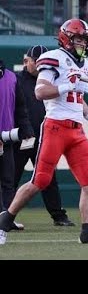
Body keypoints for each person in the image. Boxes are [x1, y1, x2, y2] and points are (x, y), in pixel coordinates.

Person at [0, 18, 88, 245]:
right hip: (55, 127)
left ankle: (87, 233)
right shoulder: (55, 58)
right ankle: (4, 222)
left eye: (85, 40)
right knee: (39, 181)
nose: (83, 44)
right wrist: (67, 85)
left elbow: (83, 92)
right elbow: (40, 91)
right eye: (79, 39)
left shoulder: (80, 63)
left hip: (76, 130)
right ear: (66, 38)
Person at [14, 45, 74, 227]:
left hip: (43, 137)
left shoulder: (52, 80)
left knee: (48, 178)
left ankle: (58, 215)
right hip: (20, 137)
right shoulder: (15, 80)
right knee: (10, 177)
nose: (40, 67)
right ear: (27, 61)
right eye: (36, 62)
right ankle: (6, 215)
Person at [0, 58, 35, 231]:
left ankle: (6, 219)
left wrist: (26, 129)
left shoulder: (12, 78)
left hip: (6, 139)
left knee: (8, 181)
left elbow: (20, 107)